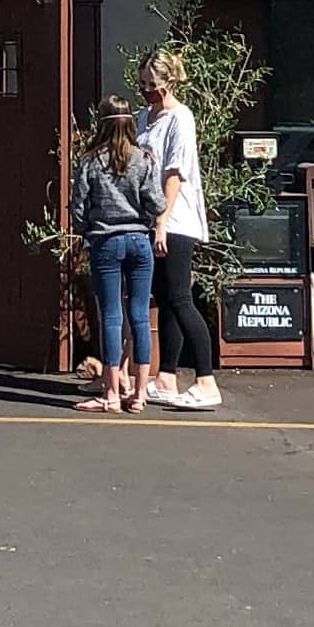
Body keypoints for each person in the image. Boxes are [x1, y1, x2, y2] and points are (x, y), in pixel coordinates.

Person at [137, 50, 219, 410]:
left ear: (169, 83)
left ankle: (206, 380)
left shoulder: (180, 119)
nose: (147, 93)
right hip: (150, 216)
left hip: (176, 219)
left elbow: (175, 173)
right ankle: (166, 376)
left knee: (181, 299)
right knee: (166, 300)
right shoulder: (145, 118)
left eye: (152, 87)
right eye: (142, 86)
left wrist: (162, 221)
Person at [72, 99, 164, 413]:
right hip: (139, 241)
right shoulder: (144, 159)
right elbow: (157, 204)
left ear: (103, 123)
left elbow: (78, 209)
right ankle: (139, 394)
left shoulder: (90, 161)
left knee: (111, 316)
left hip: (106, 241)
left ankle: (111, 393)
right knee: (140, 316)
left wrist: (89, 229)